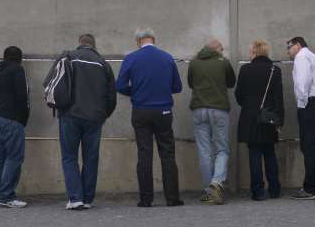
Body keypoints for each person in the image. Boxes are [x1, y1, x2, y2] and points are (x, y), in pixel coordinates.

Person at [115, 28, 184, 208]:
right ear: (154, 39)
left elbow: (120, 85)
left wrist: (135, 92)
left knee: (144, 153)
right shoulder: (167, 57)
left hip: (141, 110)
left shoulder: (131, 58)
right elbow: (177, 87)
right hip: (163, 111)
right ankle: (172, 198)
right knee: (167, 153)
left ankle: (146, 199)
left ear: (138, 41)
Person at [57, 33, 117, 211]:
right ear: (94, 45)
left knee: (69, 157)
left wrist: (61, 108)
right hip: (94, 118)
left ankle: (75, 198)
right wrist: (103, 115)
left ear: (79, 43)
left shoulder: (69, 58)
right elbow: (112, 96)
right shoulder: (103, 64)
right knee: (91, 158)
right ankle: (88, 198)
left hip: (70, 115)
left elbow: (55, 85)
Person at [187, 38, 236, 205]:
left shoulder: (193, 63)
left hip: (198, 109)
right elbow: (231, 83)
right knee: (222, 149)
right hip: (219, 109)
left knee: (204, 151)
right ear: (218, 49)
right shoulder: (223, 62)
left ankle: (208, 191)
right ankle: (217, 182)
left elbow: (191, 84)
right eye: (222, 50)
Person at [235, 39, 284, 201]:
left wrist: (249, 105)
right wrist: (279, 121)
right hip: (269, 117)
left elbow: (239, 94)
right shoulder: (274, 70)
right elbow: (278, 98)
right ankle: (275, 189)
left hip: (250, 118)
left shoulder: (245, 69)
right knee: (270, 153)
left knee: (254, 154)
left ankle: (258, 191)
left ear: (254, 52)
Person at [0, 45, 30, 208]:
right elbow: (23, 97)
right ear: (19, 59)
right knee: (14, 157)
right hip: (11, 120)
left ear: (4, 57)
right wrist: (23, 119)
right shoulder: (17, 70)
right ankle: (6, 196)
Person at [286, 36, 315, 200]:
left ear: (298, 45)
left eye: (289, 47)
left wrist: (302, 104)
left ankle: (311, 188)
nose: (288, 51)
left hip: (311, 105)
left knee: (309, 146)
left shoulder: (302, 57)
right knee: (312, 146)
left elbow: (302, 83)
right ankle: (313, 184)